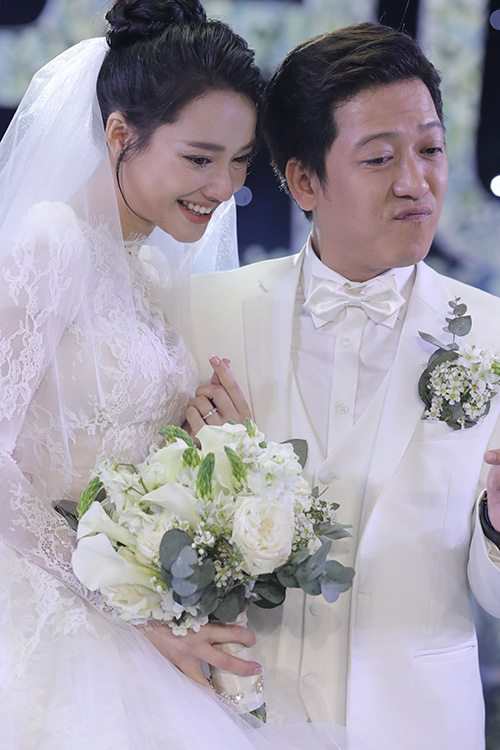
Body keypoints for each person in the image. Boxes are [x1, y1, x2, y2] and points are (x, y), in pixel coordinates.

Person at [0, 1, 348, 748]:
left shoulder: (151, 273)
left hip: (137, 612)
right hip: (48, 608)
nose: (223, 186)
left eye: (240, 160)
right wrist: (119, 602)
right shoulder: (52, 243)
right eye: (198, 158)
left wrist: (214, 444)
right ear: (119, 134)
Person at [184, 22, 500, 750]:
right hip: (231, 723)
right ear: (303, 181)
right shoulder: (203, 317)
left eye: (430, 150)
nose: (415, 182)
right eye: (380, 158)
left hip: (417, 728)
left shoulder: (492, 335)